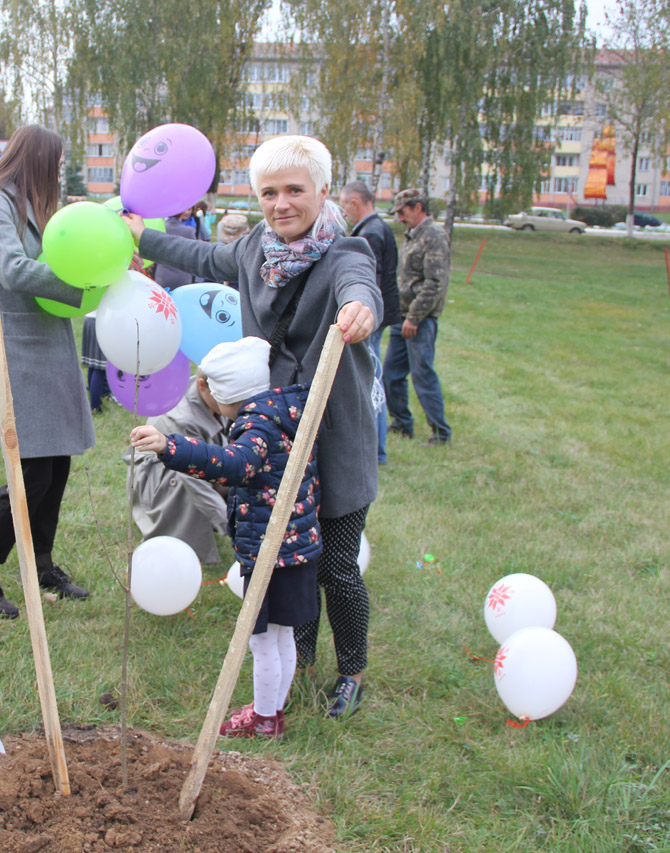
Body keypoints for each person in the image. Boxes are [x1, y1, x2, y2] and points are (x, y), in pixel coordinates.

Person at [124, 134, 381, 719]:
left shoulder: (346, 256)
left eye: (295, 190)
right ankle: (303, 657)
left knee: (337, 566)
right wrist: (142, 236)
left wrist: (362, 311)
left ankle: (352, 671)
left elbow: (360, 288)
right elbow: (199, 258)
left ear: (321, 191)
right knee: (293, 561)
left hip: (331, 441)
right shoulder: (251, 253)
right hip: (272, 437)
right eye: (269, 192)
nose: (281, 203)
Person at [130, 336, 321, 738]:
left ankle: (265, 720)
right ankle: (274, 709)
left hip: (272, 552)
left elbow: (236, 465)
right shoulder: (287, 409)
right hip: (298, 547)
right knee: (284, 636)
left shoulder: (254, 424)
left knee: (263, 641)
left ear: (227, 395)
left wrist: (170, 446)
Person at [0, 125, 93, 619]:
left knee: (56, 465)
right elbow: (14, 270)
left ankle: (41, 564)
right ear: (34, 159)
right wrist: (82, 285)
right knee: (30, 470)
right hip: (14, 347)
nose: (56, 173)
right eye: (54, 164)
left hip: (47, 344)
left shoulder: (27, 203)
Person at [125, 371, 231, 565]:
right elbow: (192, 477)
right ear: (202, 386)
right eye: (222, 394)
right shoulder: (183, 418)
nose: (228, 399)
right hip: (162, 477)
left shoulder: (211, 395)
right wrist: (228, 524)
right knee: (186, 478)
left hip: (197, 465)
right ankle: (177, 535)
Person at [383, 188, 452, 446]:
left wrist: (414, 317)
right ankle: (402, 422)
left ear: (418, 207)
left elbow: (434, 283)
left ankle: (440, 432)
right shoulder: (413, 235)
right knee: (391, 373)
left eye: (403, 211)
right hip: (402, 317)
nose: (399, 217)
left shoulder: (433, 235)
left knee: (422, 374)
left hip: (419, 320)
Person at [340, 181, 402, 465]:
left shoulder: (371, 234)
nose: (345, 212)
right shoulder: (376, 228)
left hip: (370, 318)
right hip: (376, 316)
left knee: (370, 381)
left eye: (344, 206)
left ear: (355, 203)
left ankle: (376, 452)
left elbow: (367, 282)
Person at [152, 207, 208, 291]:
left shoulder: (160, 228)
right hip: (182, 276)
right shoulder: (189, 231)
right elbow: (194, 252)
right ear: (180, 213)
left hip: (163, 275)